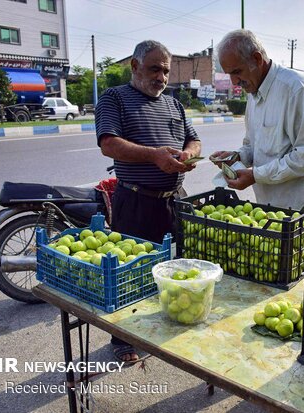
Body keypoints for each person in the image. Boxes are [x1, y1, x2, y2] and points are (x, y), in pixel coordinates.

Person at [95, 40, 201, 363]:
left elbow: (194, 140)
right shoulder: (114, 98)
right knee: (131, 272)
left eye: (166, 70)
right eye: (155, 68)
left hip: (173, 202)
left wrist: (188, 154)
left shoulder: (174, 105)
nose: (162, 77)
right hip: (135, 201)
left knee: (177, 268)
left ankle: (167, 323)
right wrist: (154, 157)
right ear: (135, 66)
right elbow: (109, 144)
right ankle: (124, 338)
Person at [211, 29, 304, 212]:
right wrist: (236, 157)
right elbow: (252, 145)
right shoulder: (253, 92)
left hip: (300, 210)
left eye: (237, 72)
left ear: (257, 59)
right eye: (229, 74)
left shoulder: (296, 87)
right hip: (266, 208)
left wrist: (256, 175)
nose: (234, 82)